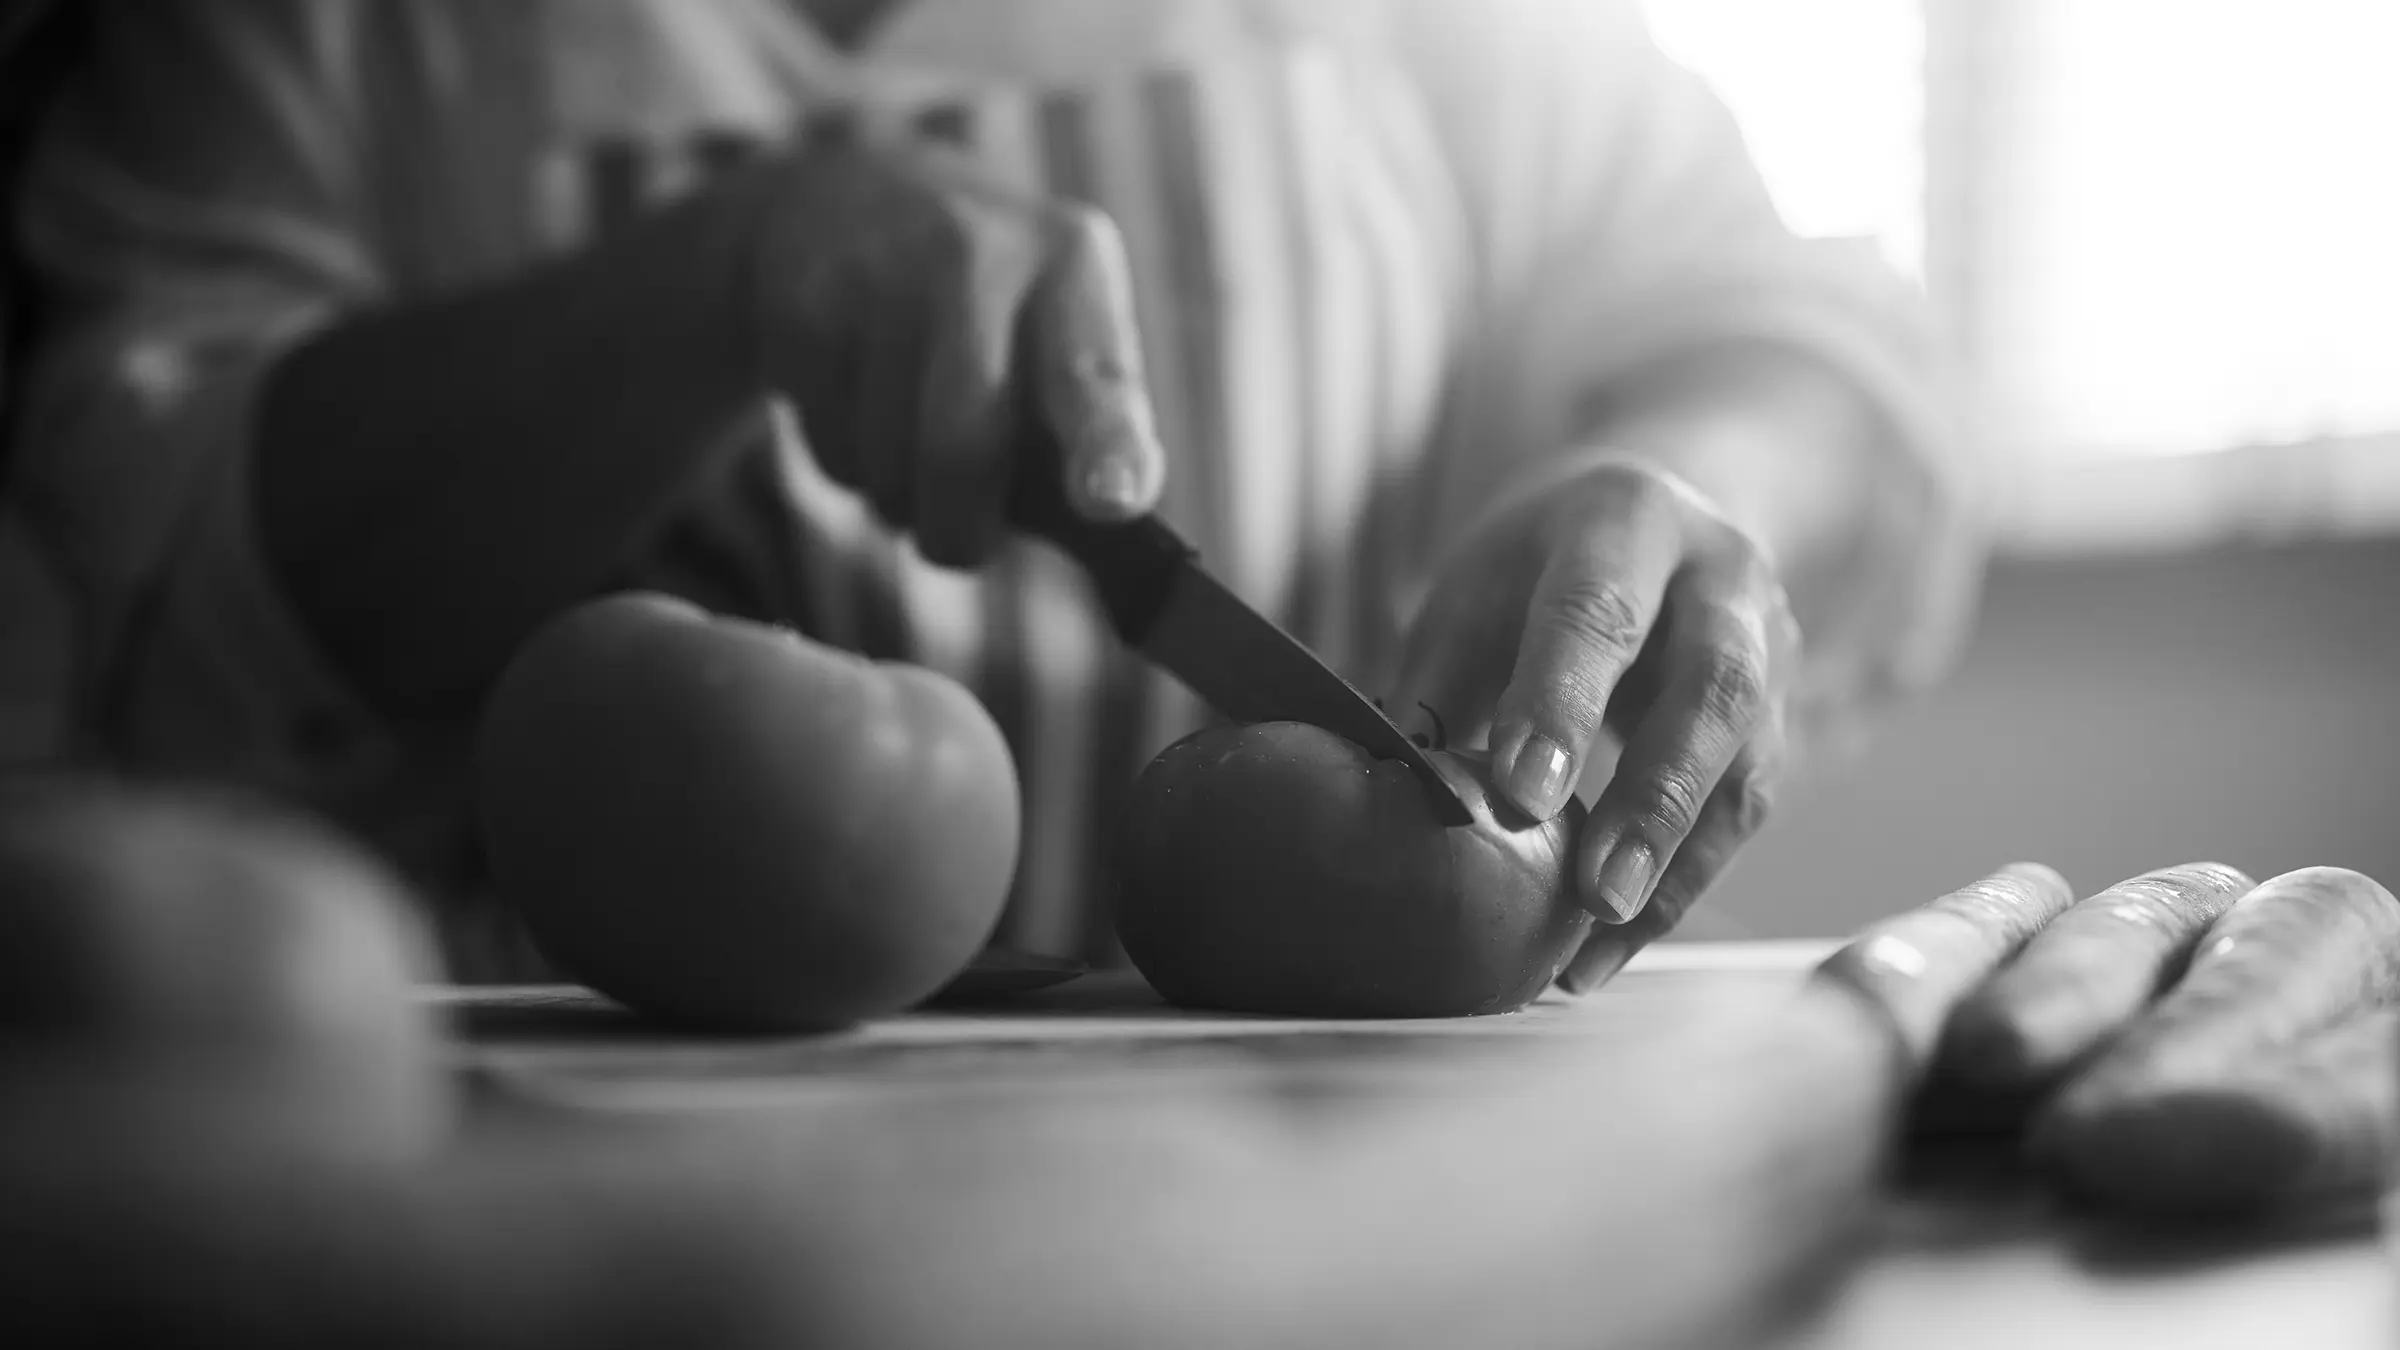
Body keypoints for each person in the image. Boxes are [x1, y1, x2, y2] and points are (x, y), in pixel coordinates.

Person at [0, 0, 1979, 982]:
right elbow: (142, 556)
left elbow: (1792, 330)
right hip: (558, 1211)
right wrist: (707, 282)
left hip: (1348, 1194)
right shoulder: (299, 40)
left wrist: (1690, 490)